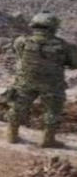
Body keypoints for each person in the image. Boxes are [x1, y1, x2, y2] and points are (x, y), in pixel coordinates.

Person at [6, 12, 77, 148]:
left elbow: (19, 54)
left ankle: (11, 135)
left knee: (18, 107)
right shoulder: (64, 46)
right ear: (54, 27)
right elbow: (74, 63)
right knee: (52, 111)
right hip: (52, 84)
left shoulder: (21, 41)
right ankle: (48, 140)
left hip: (25, 81)